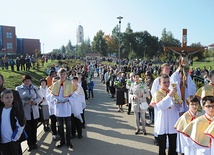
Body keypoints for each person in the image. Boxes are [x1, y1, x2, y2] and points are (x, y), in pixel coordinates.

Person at [150, 74, 182, 155]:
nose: (167, 84)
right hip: (162, 122)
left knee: (173, 146)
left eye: (168, 82)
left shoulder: (173, 92)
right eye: (164, 82)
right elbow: (161, 106)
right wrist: (170, 95)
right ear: (160, 83)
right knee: (162, 147)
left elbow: (179, 107)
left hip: (172, 121)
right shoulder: (157, 93)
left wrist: (177, 103)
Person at [47, 68, 74, 148]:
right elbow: (51, 96)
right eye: (61, 74)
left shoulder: (70, 84)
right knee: (60, 126)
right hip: (59, 108)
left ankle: (68, 141)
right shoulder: (55, 85)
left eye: (64, 74)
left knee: (68, 125)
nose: (62, 76)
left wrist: (68, 100)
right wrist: (55, 100)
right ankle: (62, 140)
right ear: (58, 75)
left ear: (66, 75)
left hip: (66, 107)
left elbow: (74, 96)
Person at [0, 74, 25, 154]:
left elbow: (21, 111)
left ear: (3, 81)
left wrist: (17, 134)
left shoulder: (13, 93)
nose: (9, 99)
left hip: (13, 134)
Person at [15, 74, 42, 151]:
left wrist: (35, 101)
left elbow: (40, 97)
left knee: (34, 128)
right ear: (23, 81)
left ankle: (34, 142)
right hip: (25, 113)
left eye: (29, 81)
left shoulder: (35, 88)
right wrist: (25, 102)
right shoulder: (19, 89)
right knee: (27, 129)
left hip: (34, 111)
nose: (27, 82)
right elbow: (17, 101)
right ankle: (29, 144)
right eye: (26, 81)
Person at [150, 63, 171, 146]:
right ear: (162, 70)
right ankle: (157, 138)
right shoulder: (157, 80)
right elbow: (153, 91)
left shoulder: (171, 79)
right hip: (160, 104)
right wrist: (160, 98)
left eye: (169, 68)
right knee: (159, 121)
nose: (168, 70)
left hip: (169, 105)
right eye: (166, 68)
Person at [46, 76, 59, 141]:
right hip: (52, 108)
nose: (55, 83)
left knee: (60, 122)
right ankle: (54, 134)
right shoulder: (49, 89)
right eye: (54, 81)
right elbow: (47, 98)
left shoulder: (61, 88)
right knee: (53, 122)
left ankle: (60, 133)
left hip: (59, 109)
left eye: (56, 81)